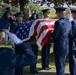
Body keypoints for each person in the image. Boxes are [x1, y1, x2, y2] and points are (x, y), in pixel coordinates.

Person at [51, 7, 72, 75]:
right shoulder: (69, 22)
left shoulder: (58, 22)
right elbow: (70, 34)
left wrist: (51, 33)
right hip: (66, 46)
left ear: (60, 13)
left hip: (59, 46)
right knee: (62, 63)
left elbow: (54, 36)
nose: (57, 15)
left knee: (59, 64)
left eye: (57, 13)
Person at [69, 8, 76, 75]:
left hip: (74, 44)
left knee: (73, 60)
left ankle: (73, 73)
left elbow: (71, 34)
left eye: (72, 13)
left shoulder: (74, 22)